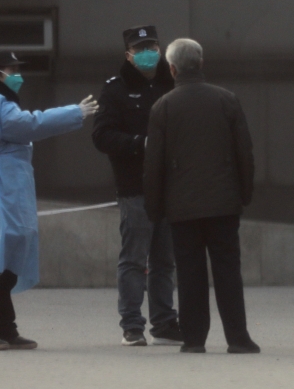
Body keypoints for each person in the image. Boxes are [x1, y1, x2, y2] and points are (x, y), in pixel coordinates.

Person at [0, 51, 98, 351]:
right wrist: (74, 112)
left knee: (5, 251)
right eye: (11, 69)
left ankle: (4, 327)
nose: (17, 74)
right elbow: (29, 125)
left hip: (3, 185)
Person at [143, 38, 260, 354]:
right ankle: (238, 338)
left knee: (189, 273)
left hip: (182, 207)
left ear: (172, 68)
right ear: (201, 63)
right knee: (228, 272)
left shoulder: (163, 107)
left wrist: (154, 208)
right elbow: (244, 153)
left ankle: (194, 339)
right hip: (224, 203)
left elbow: (153, 163)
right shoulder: (226, 100)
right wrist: (244, 193)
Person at [92, 25, 182, 348]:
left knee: (165, 260)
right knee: (134, 259)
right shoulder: (115, 90)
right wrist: (139, 144)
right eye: (140, 48)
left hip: (169, 186)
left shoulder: (171, 82)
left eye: (152, 46)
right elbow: (101, 135)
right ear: (128, 55)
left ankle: (164, 321)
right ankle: (132, 324)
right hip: (134, 187)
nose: (148, 53)